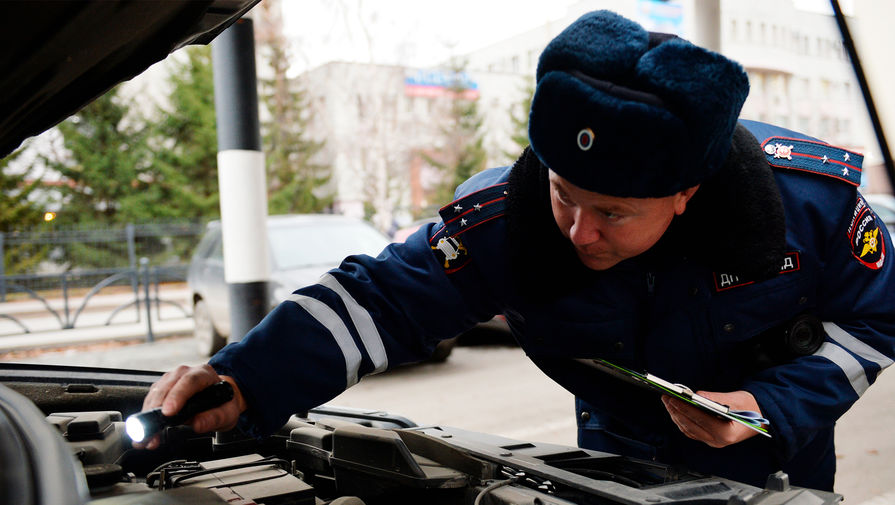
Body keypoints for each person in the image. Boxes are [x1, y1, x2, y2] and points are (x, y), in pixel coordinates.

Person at [138, 10, 895, 491]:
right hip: (615, 467)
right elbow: (381, 300)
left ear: (685, 192)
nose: (576, 231)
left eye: (613, 212)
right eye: (564, 192)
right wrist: (244, 377)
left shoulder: (811, 207)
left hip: (778, 470)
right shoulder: (510, 218)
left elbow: (875, 323)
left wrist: (770, 405)